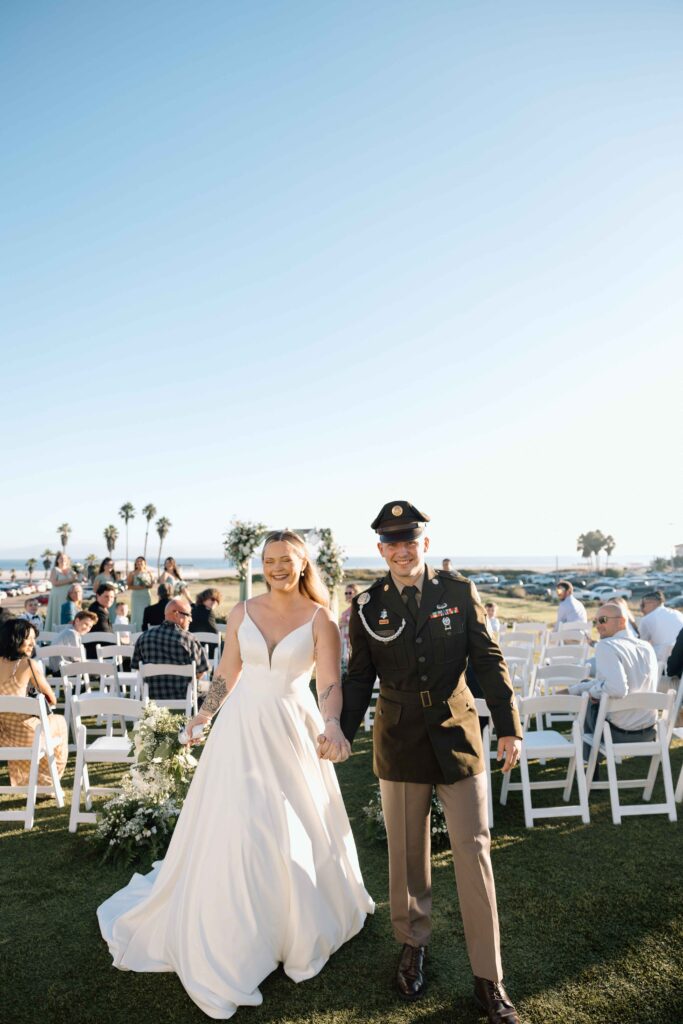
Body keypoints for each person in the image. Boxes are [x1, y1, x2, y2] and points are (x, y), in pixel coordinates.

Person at [98, 530, 374, 1018]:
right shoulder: (242, 612)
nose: (276, 567)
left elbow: (330, 682)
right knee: (238, 822)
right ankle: (238, 929)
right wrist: (205, 714)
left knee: (290, 825)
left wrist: (332, 723)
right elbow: (228, 671)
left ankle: (290, 925)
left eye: (286, 560)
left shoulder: (321, 620)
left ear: (303, 563)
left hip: (292, 728)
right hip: (240, 728)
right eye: (269, 560)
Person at [340, 501, 522, 1024]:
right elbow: (358, 680)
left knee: (474, 852)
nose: (402, 549)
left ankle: (490, 978)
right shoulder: (368, 605)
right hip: (398, 740)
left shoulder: (459, 592)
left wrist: (507, 725)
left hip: (457, 734)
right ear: (380, 550)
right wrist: (341, 733)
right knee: (406, 856)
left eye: (410, 540)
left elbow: (488, 659)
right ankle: (412, 944)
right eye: (391, 542)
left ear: (426, 543)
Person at [568, 602, 659, 761]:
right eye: (595, 621)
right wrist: (580, 689)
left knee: (588, 702)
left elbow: (617, 689)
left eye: (603, 620)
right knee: (590, 691)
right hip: (649, 731)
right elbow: (611, 684)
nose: (598, 625)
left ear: (621, 622)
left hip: (617, 733)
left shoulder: (606, 645)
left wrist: (590, 693)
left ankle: (588, 763)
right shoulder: (646, 646)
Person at [0, 618, 68, 787]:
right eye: (28, 638)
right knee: (58, 722)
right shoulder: (27, 664)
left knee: (40, 727)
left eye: (33, 639)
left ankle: (29, 781)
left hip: (2, 736)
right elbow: (51, 698)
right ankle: (47, 783)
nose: (33, 643)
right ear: (14, 639)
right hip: (25, 736)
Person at [130, 596, 209, 701]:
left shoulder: (144, 637)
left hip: (151, 699)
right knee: (213, 690)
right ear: (176, 614)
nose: (191, 619)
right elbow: (201, 672)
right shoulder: (189, 639)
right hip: (184, 698)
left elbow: (137, 667)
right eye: (188, 615)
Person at [638, 591, 683, 660]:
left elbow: (641, 644)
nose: (641, 609)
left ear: (653, 603)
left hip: (663, 661)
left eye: (643, 605)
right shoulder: (678, 613)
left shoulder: (647, 619)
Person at [44, 552, 80, 631]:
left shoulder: (71, 570)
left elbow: (76, 581)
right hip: (57, 596)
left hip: (68, 596)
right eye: (61, 558)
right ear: (57, 560)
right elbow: (54, 582)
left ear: (68, 560)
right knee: (57, 613)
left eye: (65, 558)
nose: (63, 560)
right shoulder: (55, 570)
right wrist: (70, 580)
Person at [84, 584, 116, 658]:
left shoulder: (100, 608)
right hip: (97, 652)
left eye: (112, 597)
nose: (109, 599)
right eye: (106, 596)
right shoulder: (98, 611)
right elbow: (106, 634)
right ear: (98, 596)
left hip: (101, 648)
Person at [189, 587, 222, 659]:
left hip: (193, 648)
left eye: (217, 600)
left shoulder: (194, 609)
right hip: (206, 651)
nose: (214, 602)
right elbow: (215, 634)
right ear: (204, 599)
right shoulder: (208, 613)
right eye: (212, 599)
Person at [126, 556, 155, 632]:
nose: (139, 563)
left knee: (146, 612)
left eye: (141, 561)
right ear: (135, 563)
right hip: (136, 597)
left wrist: (148, 585)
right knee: (136, 614)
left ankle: (145, 630)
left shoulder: (149, 573)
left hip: (146, 596)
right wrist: (140, 587)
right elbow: (129, 586)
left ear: (145, 563)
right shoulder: (132, 573)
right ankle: (136, 631)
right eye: (137, 561)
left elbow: (151, 585)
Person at [338, 582, 358, 677]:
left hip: (355, 642)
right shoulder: (345, 611)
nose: (348, 595)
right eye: (346, 593)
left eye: (350, 593)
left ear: (356, 593)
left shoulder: (359, 609)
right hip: (345, 642)